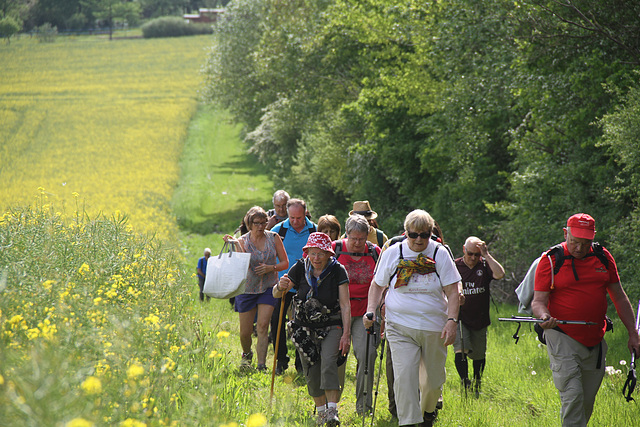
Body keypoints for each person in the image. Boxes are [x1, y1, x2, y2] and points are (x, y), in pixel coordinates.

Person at [532, 213, 640, 427]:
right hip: (562, 336)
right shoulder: (551, 260)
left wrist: (633, 333)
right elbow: (538, 301)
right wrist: (544, 316)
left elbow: (618, 296)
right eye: (574, 242)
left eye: (585, 243)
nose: (579, 248)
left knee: (586, 402)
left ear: (593, 238)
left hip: (595, 339)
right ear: (565, 233)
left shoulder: (603, 257)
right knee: (573, 396)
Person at [364, 209, 461, 427]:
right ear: (405, 232)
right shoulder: (393, 253)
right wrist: (370, 310)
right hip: (399, 326)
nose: (419, 240)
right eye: (413, 234)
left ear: (430, 233)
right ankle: (408, 421)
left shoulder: (439, 254)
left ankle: (427, 411)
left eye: (424, 235)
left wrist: (452, 321)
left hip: (434, 327)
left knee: (433, 381)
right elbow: (377, 285)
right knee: (405, 377)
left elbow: (453, 291)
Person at [273, 232, 351, 427]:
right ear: (307, 252)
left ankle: (332, 410)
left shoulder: (338, 271)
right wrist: (279, 286)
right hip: (303, 328)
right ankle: (321, 412)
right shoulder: (300, 267)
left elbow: (345, 304)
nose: (316, 258)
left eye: (321, 254)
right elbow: (278, 293)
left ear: (328, 254)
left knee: (328, 362)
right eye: (313, 253)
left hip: (331, 324)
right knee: (311, 368)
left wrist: (346, 334)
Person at [223, 206, 289, 371]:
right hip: (247, 289)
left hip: (268, 287)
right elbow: (241, 263)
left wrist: (270, 268)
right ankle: (247, 353)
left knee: (262, 326)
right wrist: (233, 243)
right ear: (249, 224)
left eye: (263, 222)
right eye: (257, 223)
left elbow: (285, 263)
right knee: (245, 333)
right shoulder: (242, 241)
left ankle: (261, 365)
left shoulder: (273, 238)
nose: (260, 226)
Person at [333, 214, 381, 415]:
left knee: (367, 355)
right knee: (334, 358)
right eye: (353, 239)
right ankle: (330, 406)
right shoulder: (335, 249)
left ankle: (363, 407)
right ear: (347, 234)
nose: (357, 243)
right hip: (337, 312)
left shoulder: (374, 252)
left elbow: (382, 281)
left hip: (365, 314)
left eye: (361, 239)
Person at [270, 198, 317, 374]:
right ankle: (280, 360)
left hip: (307, 285)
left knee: (302, 324)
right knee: (277, 322)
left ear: (305, 213)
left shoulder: (314, 230)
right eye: (292, 218)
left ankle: (301, 363)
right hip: (283, 284)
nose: (296, 222)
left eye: (299, 218)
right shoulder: (278, 230)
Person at [453, 236, 505, 396]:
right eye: (470, 254)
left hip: (480, 318)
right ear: (464, 250)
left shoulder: (484, 265)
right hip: (460, 317)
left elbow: (500, 274)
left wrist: (487, 255)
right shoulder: (455, 266)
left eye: (477, 254)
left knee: (478, 354)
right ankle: (464, 382)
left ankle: (477, 382)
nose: (473, 258)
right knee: (461, 349)